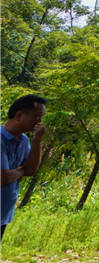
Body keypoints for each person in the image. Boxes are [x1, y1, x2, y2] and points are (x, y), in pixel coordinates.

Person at [2, 94, 47, 244]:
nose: (39, 121)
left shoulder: (23, 140)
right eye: (36, 116)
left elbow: (31, 170)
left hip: (3, 215)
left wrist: (37, 141)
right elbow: (3, 178)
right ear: (20, 115)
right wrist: (21, 170)